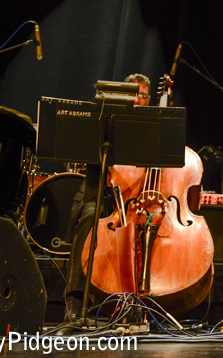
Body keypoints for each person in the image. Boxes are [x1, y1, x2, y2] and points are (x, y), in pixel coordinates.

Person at [63, 73, 152, 323]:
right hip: (101, 192)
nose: (138, 99)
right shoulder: (104, 119)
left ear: (149, 100)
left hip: (138, 200)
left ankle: (144, 300)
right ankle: (74, 300)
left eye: (143, 95)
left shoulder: (154, 127)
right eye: (133, 94)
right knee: (90, 216)